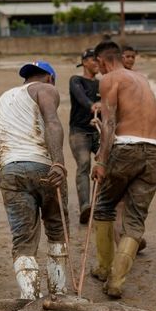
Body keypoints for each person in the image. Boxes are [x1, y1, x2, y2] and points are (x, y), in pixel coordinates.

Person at [0, 60, 69, 300]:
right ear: (50, 78)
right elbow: (52, 122)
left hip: (11, 170)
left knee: (23, 238)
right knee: (56, 229)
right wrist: (58, 162)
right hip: (42, 165)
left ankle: (29, 297)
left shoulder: (4, 97)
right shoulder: (46, 89)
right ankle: (58, 295)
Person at [91, 41, 156, 298]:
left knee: (104, 206)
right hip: (153, 150)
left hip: (126, 149)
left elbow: (109, 124)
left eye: (98, 65)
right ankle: (116, 282)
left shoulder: (110, 78)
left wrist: (100, 160)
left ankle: (103, 268)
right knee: (135, 218)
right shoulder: (141, 79)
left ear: (102, 60)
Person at [68, 49, 101, 224]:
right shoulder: (76, 80)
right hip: (79, 132)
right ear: (85, 62)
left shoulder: (102, 84)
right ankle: (85, 207)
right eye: (93, 60)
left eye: (98, 60)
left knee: (108, 162)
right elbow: (81, 97)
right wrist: (92, 105)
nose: (96, 63)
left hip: (98, 131)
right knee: (84, 164)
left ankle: (104, 204)